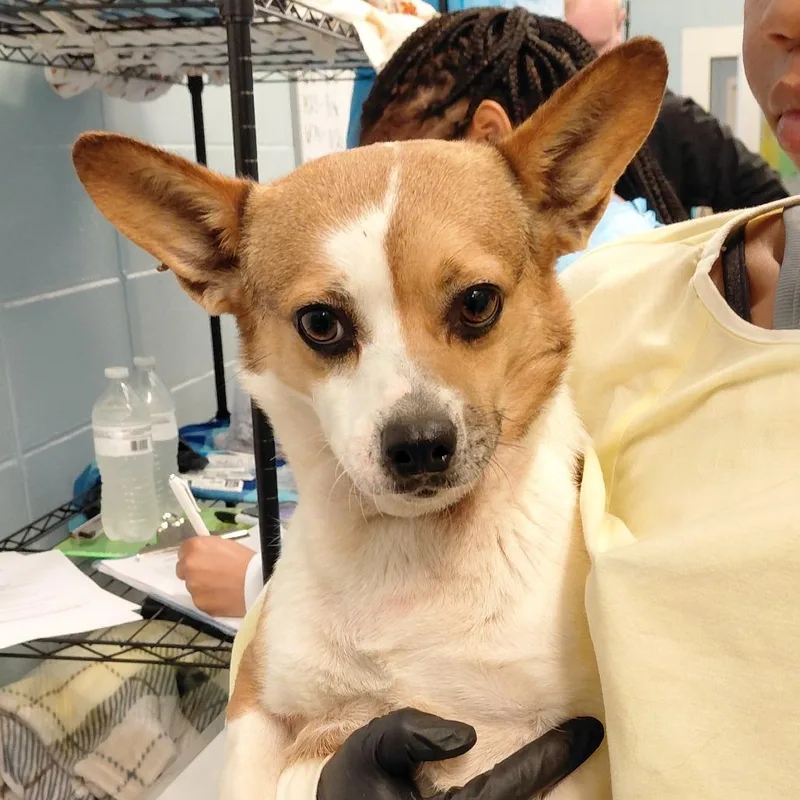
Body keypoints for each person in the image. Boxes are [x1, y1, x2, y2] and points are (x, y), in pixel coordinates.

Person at [186, 2, 800, 795]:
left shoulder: (576, 299)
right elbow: (268, 681)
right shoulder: (622, 290)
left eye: (472, 307)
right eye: (326, 324)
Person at [566, 0, 788, 211]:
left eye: (593, 50)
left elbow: (772, 202)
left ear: (619, 26)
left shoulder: (674, 123)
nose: (580, 75)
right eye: (560, 52)